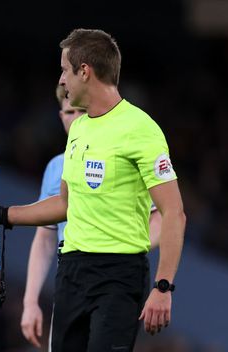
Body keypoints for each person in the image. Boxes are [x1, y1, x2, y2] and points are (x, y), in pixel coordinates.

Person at [0, 28, 185, 351]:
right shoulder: (78, 128)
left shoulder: (141, 129)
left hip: (119, 277)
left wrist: (164, 287)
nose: (62, 80)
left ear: (85, 71)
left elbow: (174, 212)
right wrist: (0, 215)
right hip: (72, 273)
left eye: (65, 70)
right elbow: (66, 204)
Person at [20, 85, 163, 348]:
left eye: (80, 111)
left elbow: (161, 219)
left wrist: (126, 246)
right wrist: (30, 302)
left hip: (113, 276)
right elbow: (45, 238)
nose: (74, 118)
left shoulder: (119, 156)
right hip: (70, 280)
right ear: (60, 115)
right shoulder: (55, 168)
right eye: (68, 111)